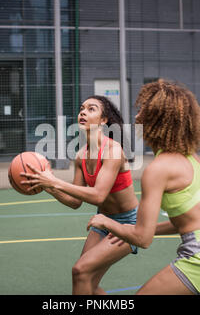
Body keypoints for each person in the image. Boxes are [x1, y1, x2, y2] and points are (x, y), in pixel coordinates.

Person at [87, 79, 200, 295]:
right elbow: (184, 220)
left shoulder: (158, 170)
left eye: (143, 112)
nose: (137, 116)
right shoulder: (191, 158)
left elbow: (143, 239)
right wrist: (127, 230)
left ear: (157, 121)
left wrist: (107, 222)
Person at [20, 95, 139, 295]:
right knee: (86, 280)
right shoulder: (80, 155)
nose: (83, 112)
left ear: (103, 120)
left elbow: (98, 195)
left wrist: (55, 181)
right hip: (103, 220)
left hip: (128, 224)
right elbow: (75, 202)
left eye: (91, 109)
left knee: (80, 270)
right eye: (82, 108)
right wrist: (48, 186)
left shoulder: (113, 150)